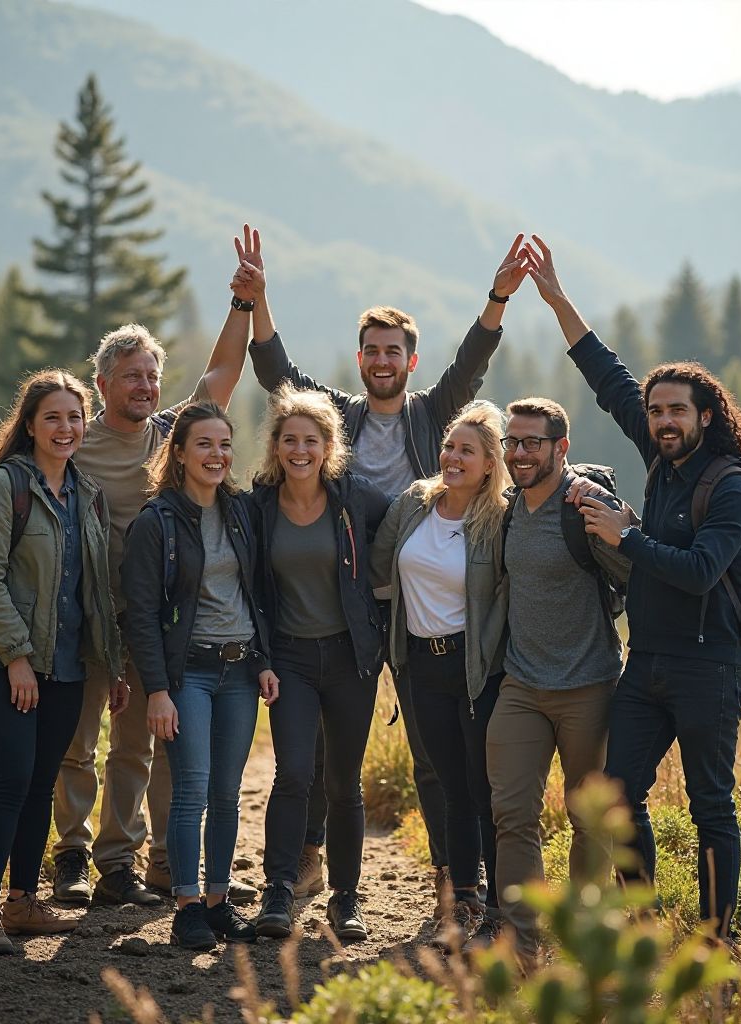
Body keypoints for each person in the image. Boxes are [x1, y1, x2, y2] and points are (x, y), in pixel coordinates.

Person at [236, 231, 533, 910]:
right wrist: (258, 301)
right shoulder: (336, 415)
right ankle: (307, 862)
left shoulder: (431, 414)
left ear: (409, 360)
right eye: (369, 350)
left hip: (421, 598)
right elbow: (278, 376)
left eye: (391, 351)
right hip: (347, 602)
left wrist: (498, 297)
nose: (379, 360)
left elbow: (472, 364)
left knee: (433, 755)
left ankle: (449, 879)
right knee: (317, 743)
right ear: (360, 358)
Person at [525, 236, 741, 936]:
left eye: (676, 411)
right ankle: (646, 928)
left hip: (708, 667)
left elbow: (698, 572)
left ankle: (713, 943)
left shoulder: (733, 486)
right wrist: (559, 300)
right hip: (647, 662)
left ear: (705, 415)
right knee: (617, 797)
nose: (662, 420)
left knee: (711, 805)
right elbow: (606, 375)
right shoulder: (659, 458)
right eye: (656, 411)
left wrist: (625, 536)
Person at [50, 231, 265, 908]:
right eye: (131, 376)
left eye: (151, 375)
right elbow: (18, 471)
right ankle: (75, 857)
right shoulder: (73, 441)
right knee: (78, 745)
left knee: (142, 746)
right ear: (103, 384)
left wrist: (242, 300)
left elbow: (222, 375)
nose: (145, 386)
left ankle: (134, 863)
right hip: (83, 617)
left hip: (153, 621)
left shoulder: (170, 436)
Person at [0, 370, 123, 954]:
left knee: (40, 783)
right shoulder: (3, 486)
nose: (66, 428)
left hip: (69, 666)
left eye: (75, 417)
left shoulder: (87, 494)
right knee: (12, 779)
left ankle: (24, 901)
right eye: (53, 417)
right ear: (29, 425)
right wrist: (17, 658)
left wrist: (113, 663)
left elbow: (94, 592)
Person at [121, 402, 279, 951]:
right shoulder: (155, 521)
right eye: (205, 445)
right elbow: (139, 613)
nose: (217, 455)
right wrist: (158, 690)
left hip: (239, 670)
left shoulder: (241, 512)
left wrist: (261, 661)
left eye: (224, 445)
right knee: (190, 791)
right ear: (180, 452)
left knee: (227, 792)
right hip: (186, 674)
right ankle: (185, 904)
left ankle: (217, 902)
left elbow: (256, 592)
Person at [485, 396, 627, 958]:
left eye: (531, 443)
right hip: (521, 686)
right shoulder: (505, 509)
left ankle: (584, 939)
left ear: (560, 447)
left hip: (589, 686)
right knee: (512, 814)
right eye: (511, 443)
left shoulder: (586, 505)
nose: (518, 453)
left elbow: (636, 569)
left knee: (588, 818)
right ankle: (523, 943)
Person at [251, 384, 389, 942]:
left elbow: (416, 514)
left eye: (311, 440)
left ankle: (346, 898)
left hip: (350, 657)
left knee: (343, 782)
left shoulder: (358, 499)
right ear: (276, 446)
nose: (299, 450)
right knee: (293, 774)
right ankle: (279, 889)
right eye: (289, 439)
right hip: (290, 659)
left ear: (329, 445)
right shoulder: (257, 504)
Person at [369, 401, 509, 952]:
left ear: (489, 463)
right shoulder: (414, 504)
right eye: (449, 445)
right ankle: (460, 899)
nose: (452, 457)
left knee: (484, 786)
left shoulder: (498, 517)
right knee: (451, 787)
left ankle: (500, 906)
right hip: (421, 664)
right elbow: (380, 566)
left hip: (476, 669)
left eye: (466, 451)